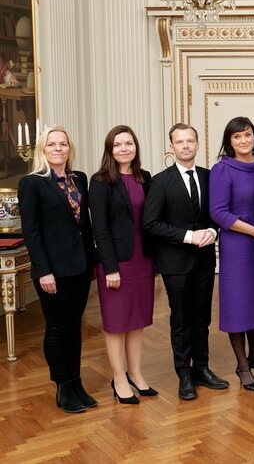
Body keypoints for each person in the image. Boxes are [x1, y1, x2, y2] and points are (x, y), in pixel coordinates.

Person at [143, 124, 228, 400]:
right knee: (181, 320)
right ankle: (184, 375)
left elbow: (217, 213)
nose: (186, 146)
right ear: (172, 147)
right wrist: (189, 236)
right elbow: (151, 224)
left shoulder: (209, 176)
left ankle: (202, 369)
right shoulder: (160, 181)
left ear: (198, 144)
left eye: (190, 141)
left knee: (202, 319)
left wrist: (213, 231)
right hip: (176, 263)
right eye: (180, 142)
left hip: (204, 261)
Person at [18, 127, 96, 413]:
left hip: (80, 265)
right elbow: (32, 231)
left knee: (75, 326)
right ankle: (62, 387)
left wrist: (93, 261)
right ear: (42, 149)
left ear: (69, 148)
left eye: (63, 144)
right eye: (52, 144)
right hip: (52, 269)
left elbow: (84, 225)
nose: (58, 148)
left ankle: (76, 382)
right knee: (57, 327)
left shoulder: (80, 179)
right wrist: (43, 270)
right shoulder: (32, 183)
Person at [209, 117, 254, 392]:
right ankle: (241, 365)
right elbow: (218, 212)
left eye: (247, 135)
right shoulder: (222, 169)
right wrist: (253, 231)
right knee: (238, 304)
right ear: (229, 141)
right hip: (239, 244)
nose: (243, 141)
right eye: (237, 137)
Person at [89, 126, 156, 405]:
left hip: (143, 259)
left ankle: (136, 374)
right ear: (110, 149)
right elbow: (100, 229)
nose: (124, 149)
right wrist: (111, 267)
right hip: (116, 262)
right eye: (118, 145)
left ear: (136, 147)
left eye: (129, 143)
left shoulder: (145, 178)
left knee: (137, 320)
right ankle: (118, 378)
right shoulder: (101, 181)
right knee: (117, 323)